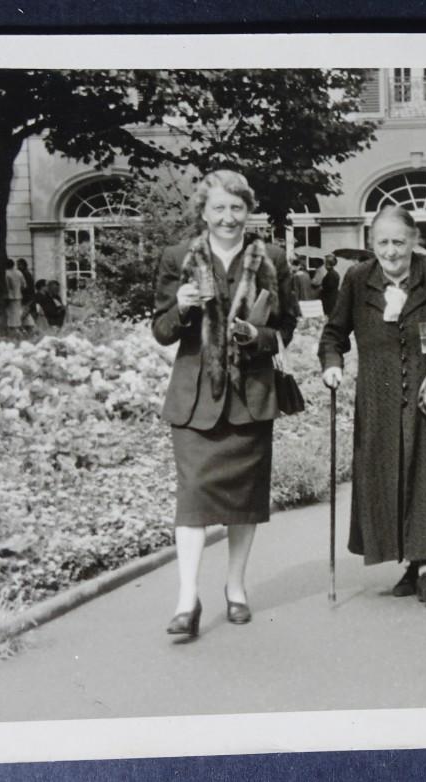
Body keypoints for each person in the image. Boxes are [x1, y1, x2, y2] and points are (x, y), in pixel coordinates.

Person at [152, 169, 297, 638]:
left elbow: (287, 327)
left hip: (249, 397)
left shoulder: (272, 258)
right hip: (196, 398)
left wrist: (258, 335)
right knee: (192, 497)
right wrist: (182, 307)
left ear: (248, 210)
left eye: (237, 208)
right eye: (219, 208)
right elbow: (161, 330)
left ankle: (236, 588)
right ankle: (186, 599)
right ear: (204, 212)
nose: (228, 217)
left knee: (244, 500)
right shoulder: (178, 257)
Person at [319, 205, 426, 608]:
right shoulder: (358, 278)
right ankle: (412, 562)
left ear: (414, 241)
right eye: (382, 243)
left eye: (398, 242)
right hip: (379, 398)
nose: (391, 251)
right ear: (371, 243)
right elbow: (334, 333)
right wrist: (332, 364)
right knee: (390, 477)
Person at [4, 259, 25, 332]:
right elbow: (24, 285)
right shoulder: (19, 273)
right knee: (17, 313)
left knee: (10, 313)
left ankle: (12, 329)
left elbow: (6, 286)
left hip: (9, 296)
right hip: (18, 295)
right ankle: (17, 327)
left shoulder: (6, 273)